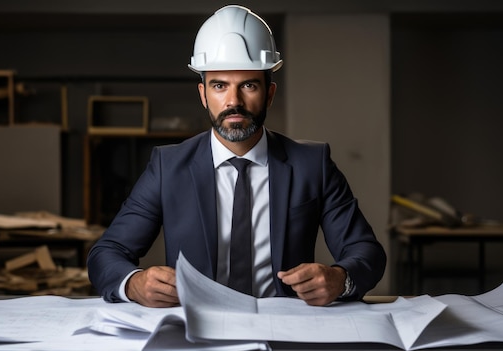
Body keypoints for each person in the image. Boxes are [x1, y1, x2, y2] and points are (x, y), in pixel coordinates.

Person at [87, 4, 386, 308]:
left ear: (269, 93)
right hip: (196, 329)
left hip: (285, 327)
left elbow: (366, 251)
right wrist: (134, 283)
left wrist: (340, 278)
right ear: (203, 95)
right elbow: (107, 253)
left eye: (248, 85)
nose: (234, 101)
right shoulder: (168, 166)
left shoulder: (312, 164)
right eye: (219, 85)